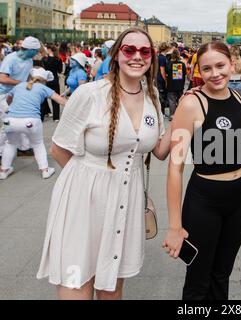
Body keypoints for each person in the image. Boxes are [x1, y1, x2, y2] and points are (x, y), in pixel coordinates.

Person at [36, 27, 172, 300]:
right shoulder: (90, 94)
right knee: (77, 284)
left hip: (126, 201)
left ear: (152, 58)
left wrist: (187, 116)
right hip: (83, 204)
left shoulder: (152, 97)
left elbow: (158, 149)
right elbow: (58, 148)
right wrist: (91, 179)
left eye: (144, 51)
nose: (137, 56)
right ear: (116, 55)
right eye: (129, 50)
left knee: (111, 288)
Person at [163, 41, 241, 300]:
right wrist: (174, 226)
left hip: (240, 196)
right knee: (198, 279)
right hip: (205, 199)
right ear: (199, 71)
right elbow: (175, 167)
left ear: (231, 64)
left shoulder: (238, 95)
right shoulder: (193, 103)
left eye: (220, 65)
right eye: (207, 69)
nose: (215, 73)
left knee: (222, 274)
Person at [0, 68, 67, 180]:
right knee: (37, 144)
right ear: (44, 80)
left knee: (10, 143)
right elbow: (60, 100)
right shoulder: (43, 88)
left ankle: (4, 170)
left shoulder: (19, 86)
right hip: (31, 121)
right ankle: (45, 170)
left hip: (10, 120)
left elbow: (8, 99)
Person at [0, 36, 41, 157]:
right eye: (36, 50)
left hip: (17, 94)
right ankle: (1, 151)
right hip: (4, 95)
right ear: (29, 49)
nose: (37, 53)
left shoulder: (29, 60)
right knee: (8, 123)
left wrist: (32, 83)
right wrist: (22, 84)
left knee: (21, 119)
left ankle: (23, 147)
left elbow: (27, 77)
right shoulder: (10, 59)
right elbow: (2, 78)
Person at [41, 44, 63, 121]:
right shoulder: (58, 59)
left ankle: (42, 115)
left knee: (43, 98)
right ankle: (56, 117)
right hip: (55, 79)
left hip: (45, 79)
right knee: (55, 99)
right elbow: (60, 70)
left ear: (49, 49)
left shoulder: (44, 59)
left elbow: (42, 68)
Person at [165, 49, 186, 119]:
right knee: (180, 100)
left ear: (172, 55)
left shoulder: (168, 64)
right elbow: (185, 74)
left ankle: (172, 115)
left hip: (171, 85)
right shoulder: (182, 64)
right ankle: (180, 115)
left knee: (172, 101)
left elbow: (166, 73)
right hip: (180, 85)